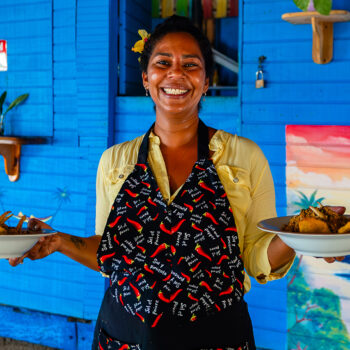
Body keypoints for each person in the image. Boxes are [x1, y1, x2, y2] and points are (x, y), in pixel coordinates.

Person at [8, 15, 343, 350]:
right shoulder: (113, 161)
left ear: (206, 81)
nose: (176, 73)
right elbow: (109, 253)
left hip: (218, 339)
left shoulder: (245, 157)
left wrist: (302, 236)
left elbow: (255, 257)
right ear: (145, 78)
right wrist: (58, 241)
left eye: (191, 64)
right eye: (163, 62)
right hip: (124, 338)